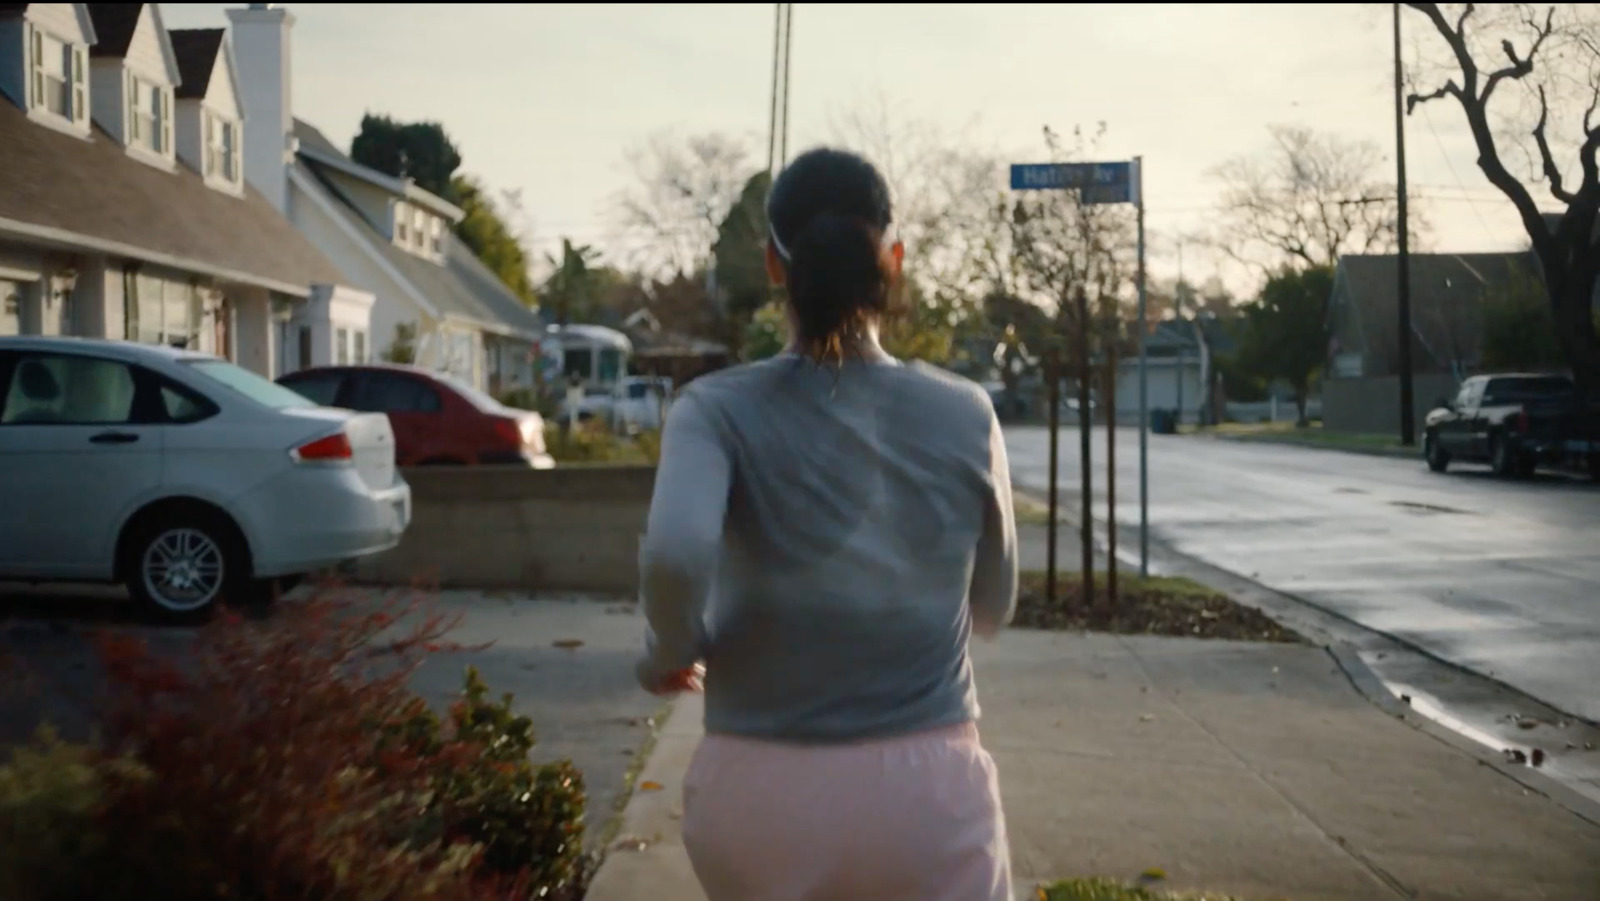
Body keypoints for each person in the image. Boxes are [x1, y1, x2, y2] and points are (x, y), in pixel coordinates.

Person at [635, 147, 1018, 901]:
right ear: (894, 260)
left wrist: (668, 651)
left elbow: (678, 553)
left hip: (758, 787)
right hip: (928, 794)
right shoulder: (967, 409)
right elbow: (994, 605)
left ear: (775, 266)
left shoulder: (713, 410)